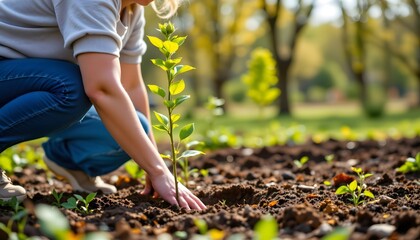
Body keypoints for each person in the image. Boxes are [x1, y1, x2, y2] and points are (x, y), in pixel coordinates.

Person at [0, 0, 206, 210]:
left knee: (138, 126)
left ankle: (66, 159)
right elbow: (101, 88)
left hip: (22, 83)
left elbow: (131, 85)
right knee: (71, 88)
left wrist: (153, 165)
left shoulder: (132, 10)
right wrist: (159, 172)